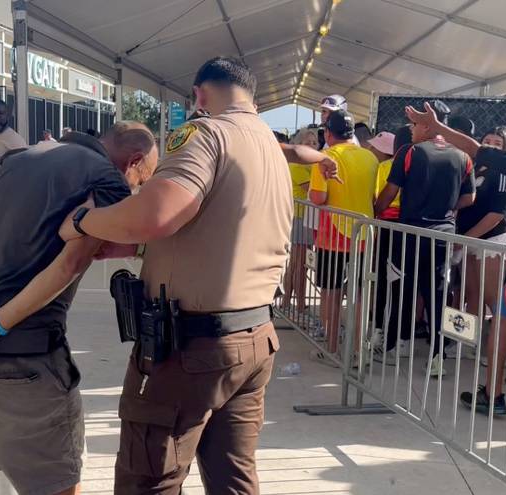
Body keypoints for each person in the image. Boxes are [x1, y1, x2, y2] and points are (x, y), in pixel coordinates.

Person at [55, 56, 336, 495]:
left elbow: (158, 213)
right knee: (234, 479)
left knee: (148, 479)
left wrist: (83, 222)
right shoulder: (265, 142)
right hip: (254, 338)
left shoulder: (206, 133)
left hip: (192, 348)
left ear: (200, 96)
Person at [0, 122, 156, 495]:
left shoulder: (17, 157)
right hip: (21, 359)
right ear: (134, 162)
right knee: (56, 483)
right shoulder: (105, 181)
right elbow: (68, 264)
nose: (134, 190)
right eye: (140, 181)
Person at [405, 104, 506, 415]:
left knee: (503, 319)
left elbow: (476, 153)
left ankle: (493, 395)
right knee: (485, 305)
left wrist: (438, 127)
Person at [375, 102, 476, 378]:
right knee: (438, 294)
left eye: (415, 124)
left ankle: (398, 345)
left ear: (427, 124)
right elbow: (471, 197)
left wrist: (374, 212)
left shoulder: (410, 152)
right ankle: (436, 355)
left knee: (403, 287)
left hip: (410, 232)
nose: (411, 130)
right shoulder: (462, 156)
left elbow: (389, 193)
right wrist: (448, 208)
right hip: (443, 234)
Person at [309, 109, 379, 360]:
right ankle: (360, 350)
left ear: (328, 132)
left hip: (333, 235)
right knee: (360, 294)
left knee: (331, 292)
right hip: (365, 235)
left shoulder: (325, 157)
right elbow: (373, 196)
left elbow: (318, 197)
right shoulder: (370, 158)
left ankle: (331, 348)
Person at [455, 127, 506, 345]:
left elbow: (497, 214)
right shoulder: (474, 168)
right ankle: (467, 342)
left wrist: (466, 238)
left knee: (494, 298)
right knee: (473, 293)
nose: (491, 145)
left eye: (497, 143)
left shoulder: (503, 174)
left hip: (493, 241)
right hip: (471, 240)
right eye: (487, 140)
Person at [369, 126, 415, 361]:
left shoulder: (386, 166)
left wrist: (375, 213)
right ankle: (403, 339)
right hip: (412, 229)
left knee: (383, 282)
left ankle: (379, 332)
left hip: (387, 228)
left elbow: (380, 196)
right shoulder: (420, 166)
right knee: (405, 285)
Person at [283, 127, 320, 313]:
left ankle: (289, 302)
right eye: (308, 143)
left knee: (299, 263)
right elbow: (312, 189)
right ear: (298, 145)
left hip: (307, 218)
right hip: (300, 218)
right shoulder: (297, 165)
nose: (313, 146)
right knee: (299, 263)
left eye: (315, 143)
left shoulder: (311, 165)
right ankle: (298, 304)